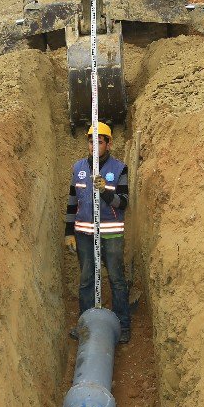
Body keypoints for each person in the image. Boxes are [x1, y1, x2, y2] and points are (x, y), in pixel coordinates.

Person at [64, 122, 131, 343]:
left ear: (109, 144)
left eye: (99, 142)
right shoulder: (78, 169)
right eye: (91, 141)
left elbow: (123, 203)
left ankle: (122, 326)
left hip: (111, 234)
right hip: (84, 234)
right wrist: (68, 232)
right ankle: (86, 324)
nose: (93, 146)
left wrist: (104, 191)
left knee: (116, 279)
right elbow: (72, 202)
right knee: (86, 280)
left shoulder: (119, 169)